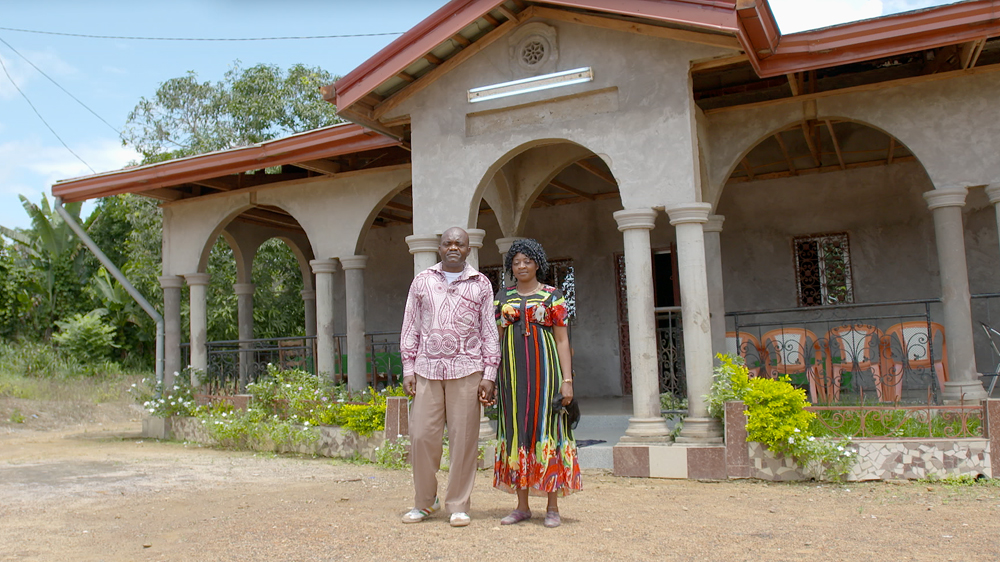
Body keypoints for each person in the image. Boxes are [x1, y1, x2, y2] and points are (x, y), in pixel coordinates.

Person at [399, 227, 500, 527]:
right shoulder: (422, 281)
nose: (453, 247)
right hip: (427, 370)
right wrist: (408, 367)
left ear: (469, 249)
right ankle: (425, 501)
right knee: (420, 436)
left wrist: (490, 374)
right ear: (439, 248)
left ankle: (458, 503)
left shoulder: (480, 284)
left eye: (460, 243)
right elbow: (410, 325)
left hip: (467, 369)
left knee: (464, 440)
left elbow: (489, 332)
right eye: (448, 243)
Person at [493, 238, 582, 528]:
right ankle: (521, 506)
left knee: (548, 432)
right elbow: (494, 339)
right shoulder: (502, 298)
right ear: (511, 267)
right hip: (512, 378)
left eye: (527, 261)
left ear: (537, 264)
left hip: (546, 376)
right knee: (518, 431)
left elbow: (562, 339)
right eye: (516, 262)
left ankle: (552, 507)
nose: (521, 266)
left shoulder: (552, 296)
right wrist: (491, 377)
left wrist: (567, 381)